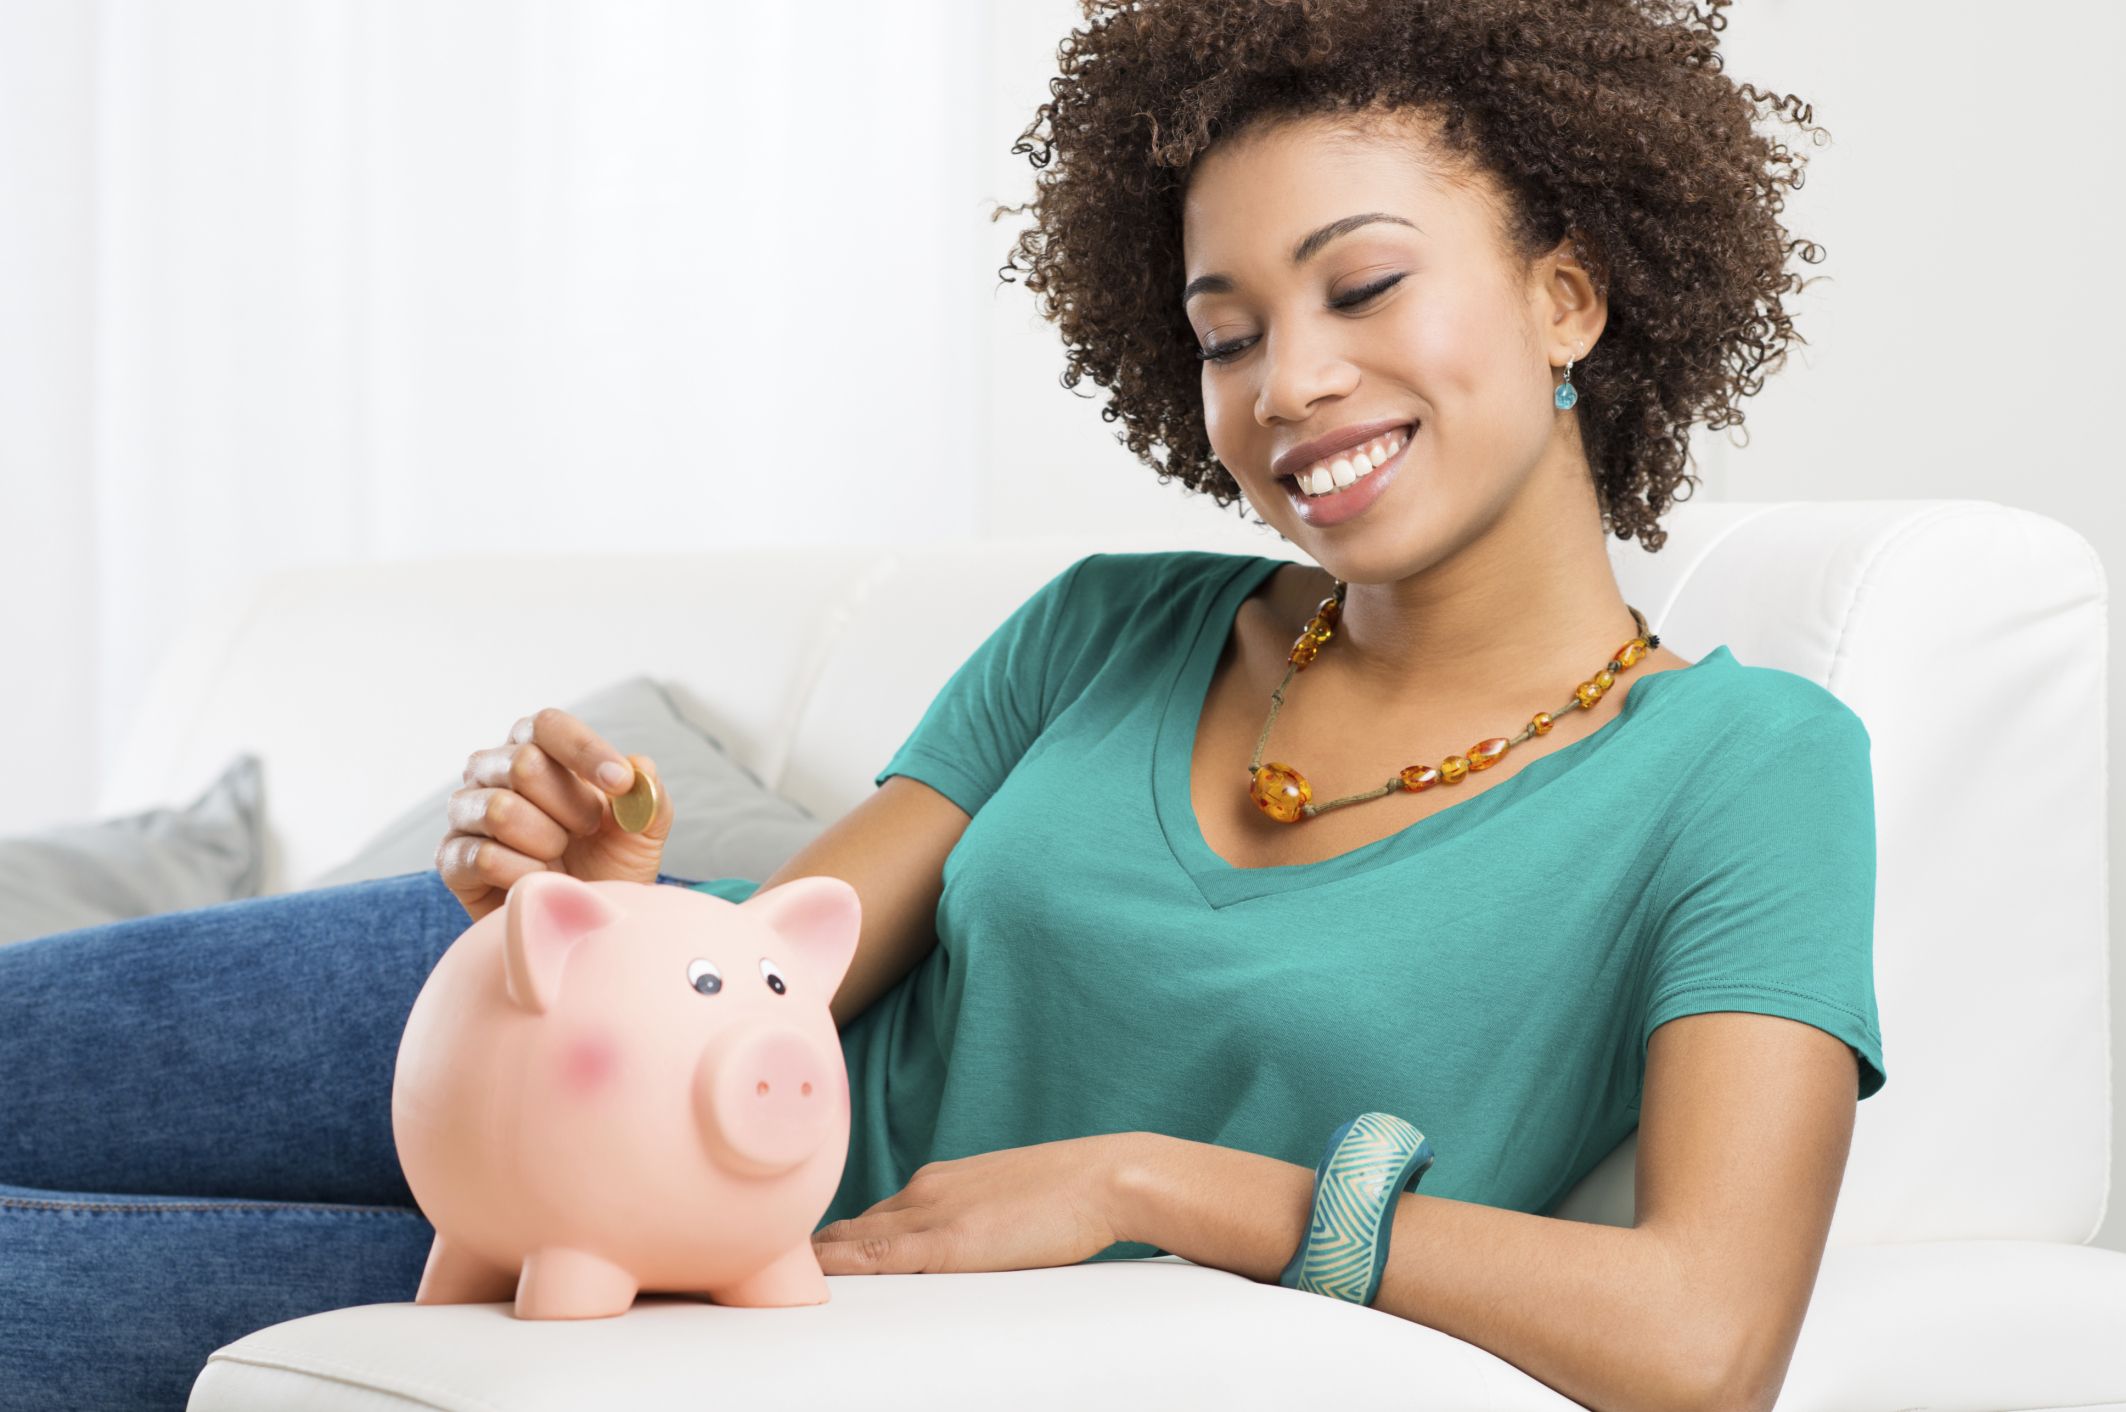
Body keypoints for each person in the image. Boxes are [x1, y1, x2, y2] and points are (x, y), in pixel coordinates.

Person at [0, 1, 1886, 1408]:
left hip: (749, 1294)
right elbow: (780, 982)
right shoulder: (1104, 632)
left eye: (1363, 287)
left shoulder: (1746, 772)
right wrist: (637, 909)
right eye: (1225, 334)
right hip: (556, 1057)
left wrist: (1147, 1185)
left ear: (1567, 299)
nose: (1286, 383)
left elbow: (1701, 1335)